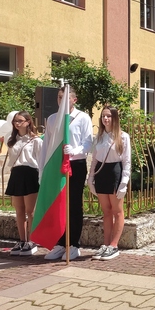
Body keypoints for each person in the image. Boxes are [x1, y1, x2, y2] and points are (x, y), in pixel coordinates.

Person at [42, 86, 93, 260]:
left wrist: (75, 150)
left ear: (74, 100)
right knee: (58, 204)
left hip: (75, 164)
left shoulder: (82, 118)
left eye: (65, 98)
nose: (61, 101)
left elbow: (88, 142)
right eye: (59, 97)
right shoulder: (52, 119)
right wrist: (43, 169)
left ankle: (73, 244)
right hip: (56, 164)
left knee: (73, 204)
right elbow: (47, 144)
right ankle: (60, 242)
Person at [88, 106, 131, 261]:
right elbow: (94, 159)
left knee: (117, 211)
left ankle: (114, 245)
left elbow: (126, 161)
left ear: (115, 118)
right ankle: (106, 244)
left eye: (108, 116)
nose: (105, 119)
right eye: (103, 116)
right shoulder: (99, 137)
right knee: (106, 211)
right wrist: (90, 178)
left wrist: (124, 181)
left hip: (115, 172)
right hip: (101, 172)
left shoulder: (123, 136)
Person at [5, 111, 43, 256]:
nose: (17, 123)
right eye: (15, 121)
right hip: (17, 173)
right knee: (19, 210)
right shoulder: (12, 139)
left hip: (30, 173)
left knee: (30, 210)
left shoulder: (36, 140)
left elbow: (40, 161)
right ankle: (22, 240)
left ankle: (31, 240)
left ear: (28, 122)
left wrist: (40, 178)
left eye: (20, 120)